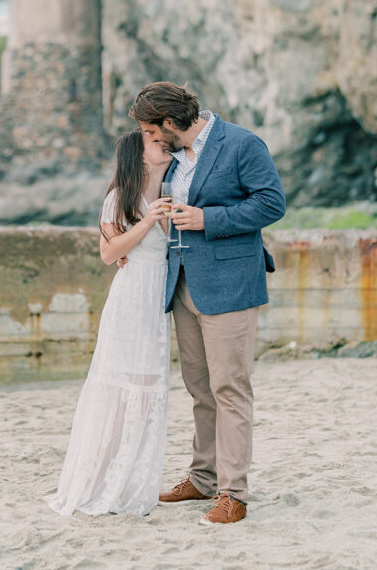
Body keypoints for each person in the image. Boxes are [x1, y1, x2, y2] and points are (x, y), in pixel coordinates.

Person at [128, 82, 286, 526]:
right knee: (200, 390)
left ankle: (233, 493)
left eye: (151, 130)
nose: (151, 139)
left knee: (230, 388)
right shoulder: (173, 157)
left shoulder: (241, 144)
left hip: (231, 283)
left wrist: (207, 218)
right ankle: (202, 477)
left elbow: (272, 203)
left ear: (171, 122)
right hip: (181, 283)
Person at [45, 129, 173, 516]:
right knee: (120, 388)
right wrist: (148, 220)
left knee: (149, 386)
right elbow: (108, 252)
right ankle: (99, 481)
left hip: (158, 300)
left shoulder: (172, 191)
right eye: (155, 141)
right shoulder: (120, 198)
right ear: (140, 156)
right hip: (131, 297)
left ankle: (131, 481)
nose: (164, 144)